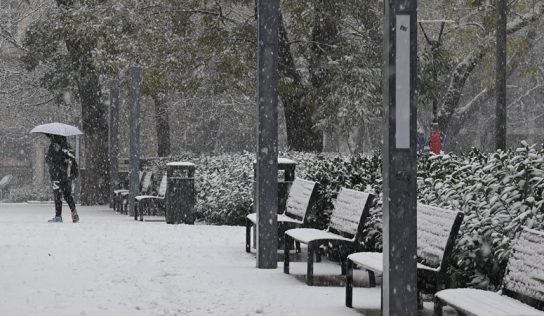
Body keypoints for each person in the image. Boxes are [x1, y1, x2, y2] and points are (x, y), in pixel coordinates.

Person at [45, 134, 79, 223]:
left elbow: (50, 160)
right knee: (67, 195)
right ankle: (74, 212)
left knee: (57, 196)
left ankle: (58, 216)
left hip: (56, 175)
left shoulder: (54, 145)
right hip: (67, 175)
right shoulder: (67, 146)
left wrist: (48, 158)